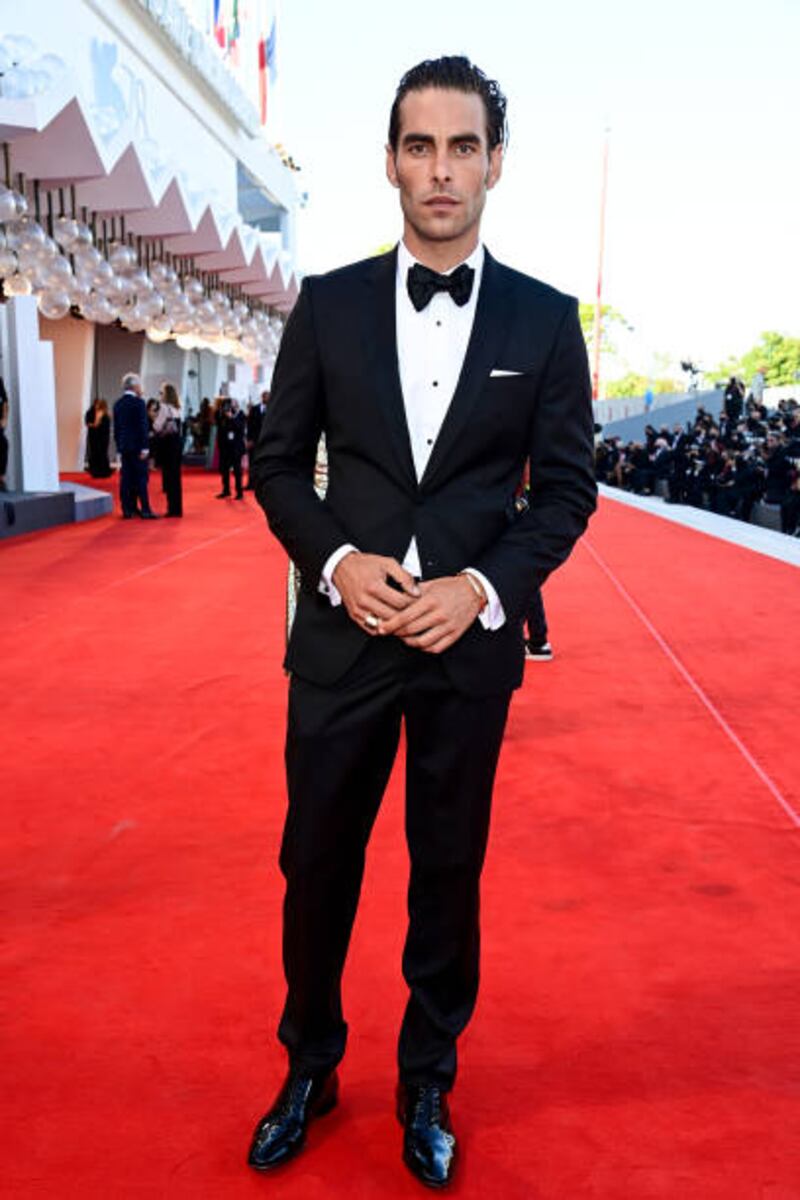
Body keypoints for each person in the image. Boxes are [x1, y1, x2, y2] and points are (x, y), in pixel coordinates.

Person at [250, 56, 596, 1189]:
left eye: (461, 148)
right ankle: (309, 1065)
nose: (439, 171)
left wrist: (484, 589)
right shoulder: (328, 300)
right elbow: (274, 466)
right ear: (389, 160)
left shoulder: (545, 321)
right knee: (317, 865)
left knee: (445, 870)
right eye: (418, 146)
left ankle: (426, 1077)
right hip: (342, 643)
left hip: (464, 651)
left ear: (494, 163)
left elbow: (566, 491)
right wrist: (338, 563)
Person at [112, 372, 156, 519]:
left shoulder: (118, 404)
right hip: (138, 447)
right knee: (141, 478)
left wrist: (119, 446)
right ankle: (145, 509)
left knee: (126, 479)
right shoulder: (139, 403)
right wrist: (145, 447)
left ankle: (127, 509)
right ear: (135, 386)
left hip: (124, 446)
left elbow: (117, 429)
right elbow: (142, 427)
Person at [152, 382, 183, 517]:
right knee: (175, 478)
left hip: (167, 446)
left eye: (161, 393)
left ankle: (172, 509)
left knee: (169, 478)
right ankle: (177, 508)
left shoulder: (164, 408)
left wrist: (153, 417)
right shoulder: (177, 408)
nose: (159, 395)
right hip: (176, 446)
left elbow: (157, 427)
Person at [215, 396, 246, 499]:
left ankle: (239, 492)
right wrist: (222, 413)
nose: (230, 406)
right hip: (225, 447)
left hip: (236, 447)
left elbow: (240, 428)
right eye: (227, 405)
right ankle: (226, 490)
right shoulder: (222, 415)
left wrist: (231, 417)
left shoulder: (241, 414)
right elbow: (220, 430)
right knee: (224, 470)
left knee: (237, 470)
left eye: (232, 404)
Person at [245, 390, 269, 489]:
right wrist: (248, 440)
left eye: (268, 397)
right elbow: (249, 425)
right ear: (262, 397)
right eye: (265, 396)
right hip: (254, 441)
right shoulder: (254, 409)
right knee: (252, 463)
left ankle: (264, 485)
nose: (266, 398)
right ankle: (251, 484)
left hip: (267, 442)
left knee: (265, 464)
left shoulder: (273, 409)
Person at [84, 398, 112, 478]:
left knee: (100, 453)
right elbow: (89, 423)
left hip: (101, 437)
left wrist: (96, 424)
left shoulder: (104, 414)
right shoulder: (91, 413)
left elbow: (102, 425)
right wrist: (94, 425)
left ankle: (101, 472)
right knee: (97, 453)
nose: (97, 406)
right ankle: (98, 471)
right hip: (97, 437)